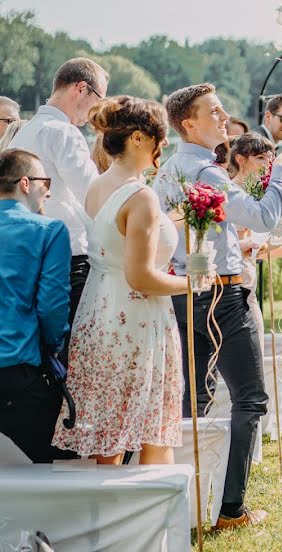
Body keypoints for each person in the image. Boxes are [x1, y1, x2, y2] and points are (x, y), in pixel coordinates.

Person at [154, 83, 282, 529]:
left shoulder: (167, 171)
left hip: (183, 293)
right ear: (188, 123)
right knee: (250, 399)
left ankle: (190, 496)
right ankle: (231, 507)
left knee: (192, 400)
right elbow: (265, 217)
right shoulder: (209, 174)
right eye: (213, 112)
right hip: (224, 296)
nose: (224, 116)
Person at [51, 96, 188, 465]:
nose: (165, 147)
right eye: (161, 138)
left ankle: (107, 519)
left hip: (98, 317)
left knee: (108, 442)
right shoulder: (142, 197)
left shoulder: (98, 186)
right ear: (140, 139)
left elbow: (115, 242)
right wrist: (195, 284)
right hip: (137, 323)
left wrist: (174, 221)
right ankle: (157, 521)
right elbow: (141, 277)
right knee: (154, 438)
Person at [9, 58, 109, 365]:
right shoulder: (63, 133)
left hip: (28, 252)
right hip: (70, 256)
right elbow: (94, 195)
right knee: (73, 354)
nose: (95, 111)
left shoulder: (21, 134)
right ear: (81, 89)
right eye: (98, 99)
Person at [0, 149, 75, 463]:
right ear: (26, 183)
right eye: (47, 181)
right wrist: (54, 347)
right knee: (39, 472)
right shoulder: (49, 230)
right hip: (19, 368)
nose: (50, 189)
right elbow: (52, 307)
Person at [226, 132, 282, 352]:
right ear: (240, 159)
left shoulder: (260, 195)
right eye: (261, 158)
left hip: (248, 284)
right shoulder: (232, 195)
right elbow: (242, 248)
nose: (268, 163)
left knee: (255, 352)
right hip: (233, 287)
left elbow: (258, 252)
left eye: (270, 158)